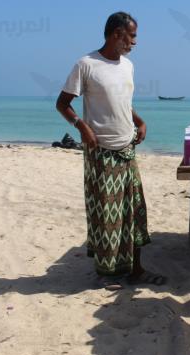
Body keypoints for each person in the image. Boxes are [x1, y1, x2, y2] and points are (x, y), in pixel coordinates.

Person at [55, 12, 165, 285]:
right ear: (117, 34)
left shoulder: (128, 66)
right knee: (107, 216)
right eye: (133, 35)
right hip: (101, 151)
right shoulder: (86, 64)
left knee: (134, 212)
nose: (135, 42)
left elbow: (122, 101)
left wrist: (138, 121)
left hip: (127, 149)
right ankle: (108, 273)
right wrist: (83, 127)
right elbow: (63, 103)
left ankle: (137, 270)